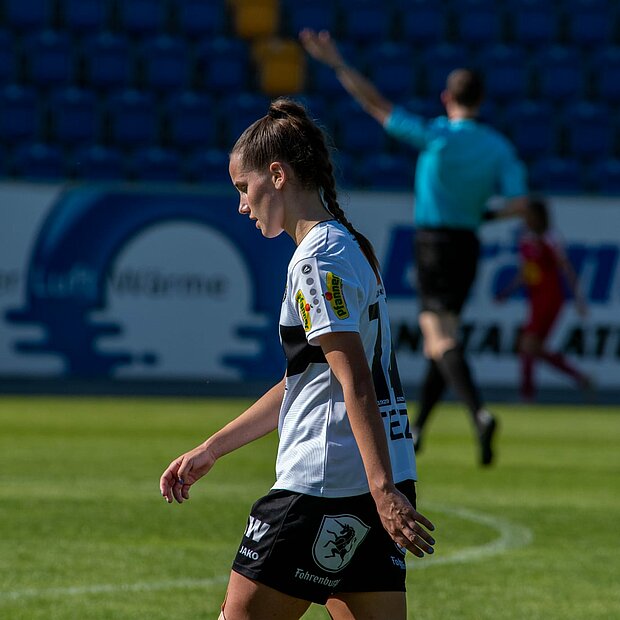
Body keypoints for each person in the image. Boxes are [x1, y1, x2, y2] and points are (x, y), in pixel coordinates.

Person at [160, 98, 435, 620]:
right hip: (376, 476)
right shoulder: (349, 245)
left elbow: (355, 380)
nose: (242, 205)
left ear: (277, 175)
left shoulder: (315, 261)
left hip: (325, 484)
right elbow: (306, 381)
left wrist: (381, 490)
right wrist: (214, 448)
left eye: (244, 187)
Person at [300, 30, 529, 466]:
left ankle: (479, 413)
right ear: (481, 100)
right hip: (467, 244)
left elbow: (377, 105)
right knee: (442, 339)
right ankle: (420, 426)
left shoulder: (437, 135)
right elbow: (520, 203)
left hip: (433, 242)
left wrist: (338, 63)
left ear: (447, 98)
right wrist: (485, 215)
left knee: (439, 338)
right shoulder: (498, 146)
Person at [495, 196, 591, 401]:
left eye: (529, 215)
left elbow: (566, 268)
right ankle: (580, 378)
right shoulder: (525, 238)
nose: (525, 219)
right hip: (535, 299)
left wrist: (579, 300)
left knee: (528, 345)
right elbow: (526, 272)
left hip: (550, 298)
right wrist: (506, 292)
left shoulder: (550, 237)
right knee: (532, 347)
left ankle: (527, 395)